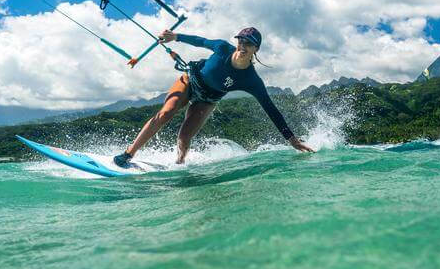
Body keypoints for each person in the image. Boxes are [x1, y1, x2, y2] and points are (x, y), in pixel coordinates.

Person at [114, 27, 314, 167]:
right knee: (166, 113)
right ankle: (129, 153)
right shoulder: (222, 48)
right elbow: (201, 41)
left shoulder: (252, 80)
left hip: (209, 99)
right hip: (191, 80)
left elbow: (270, 108)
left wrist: (292, 140)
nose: (242, 45)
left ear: (256, 49)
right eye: (241, 41)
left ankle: (179, 164)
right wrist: (175, 37)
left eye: (249, 43)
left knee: (184, 136)